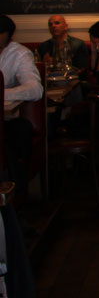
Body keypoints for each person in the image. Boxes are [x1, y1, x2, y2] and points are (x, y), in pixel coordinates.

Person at [0, 15, 43, 188]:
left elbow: (35, 89)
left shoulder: (19, 54)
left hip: (6, 121)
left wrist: (2, 94)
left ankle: (13, 192)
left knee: (17, 132)